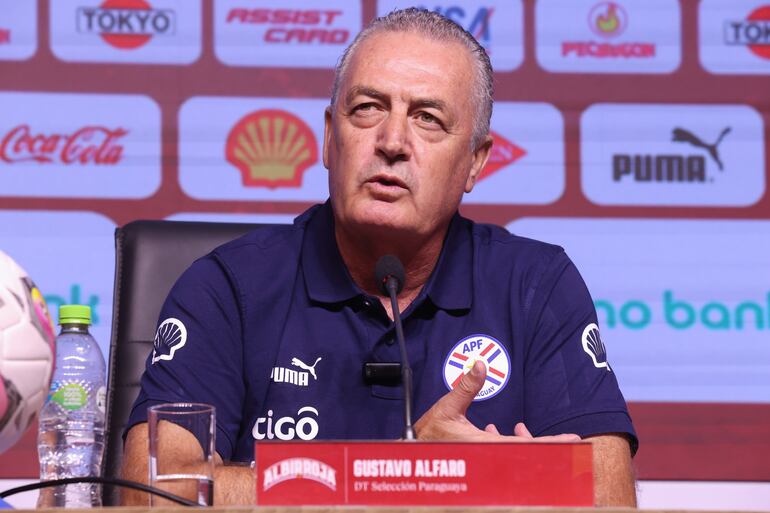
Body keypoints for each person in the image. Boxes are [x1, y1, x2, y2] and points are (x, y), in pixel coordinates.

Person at [122, 8, 637, 507]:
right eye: (367, 108)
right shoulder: (226, 289)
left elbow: (610, 496)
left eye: (428, 118)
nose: (392, 142)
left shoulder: (535, 286)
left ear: (475, 163)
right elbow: (154, 494)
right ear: (329, 137)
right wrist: (417, 476)